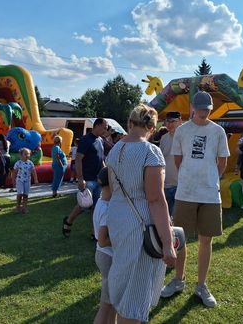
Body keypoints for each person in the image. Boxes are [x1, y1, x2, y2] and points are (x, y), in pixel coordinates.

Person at [107, 104, 176, 323]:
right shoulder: (150, 151)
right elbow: (155, 199)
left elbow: (113, 188)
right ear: (152, 128)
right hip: (140, 225)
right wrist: (168, 243)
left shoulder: (115, 149)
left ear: (129, 123)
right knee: (135, 291)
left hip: (117, 217)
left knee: (123, 277)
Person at [162, 91, 230, 308]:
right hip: (186, 193)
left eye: (207, 109)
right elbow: (178, 160)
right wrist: (190, 178)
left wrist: (210, 179)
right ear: (192, 107)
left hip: (210, 194)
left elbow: (222, 162)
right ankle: (178, 279)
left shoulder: (218, 131)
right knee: (180, 239)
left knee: (206, 240)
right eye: (200, 108)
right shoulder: (182, 131)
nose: (203, 112)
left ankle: (201, 285)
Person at [62, 118, 108, 238]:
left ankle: (94, 233)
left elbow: (100, 159)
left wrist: (105, 172)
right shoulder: (86, 140)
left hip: (98, 179)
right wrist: (80, 178)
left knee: (96, 207)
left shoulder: (100, 140)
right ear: (97, 126)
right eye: (104, 127)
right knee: (84, 205)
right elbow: (78, 159)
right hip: (87, 179)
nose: (105, 130)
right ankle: (68, 221)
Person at [92, 167, 117, 324]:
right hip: (107, 256)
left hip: (102, 254)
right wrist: (120, 239)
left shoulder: (100, 201)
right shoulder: (108, 209)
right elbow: (102, 240)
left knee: (113, 301)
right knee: (105, 305)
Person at [159, 111, 182, 216]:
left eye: (173, 121)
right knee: (166, 217)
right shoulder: (164, 138)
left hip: (180, 185)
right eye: (167, 121)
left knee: (179, 218)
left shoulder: (186, 138)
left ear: (180, 121)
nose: (169, 124)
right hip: (165, 184)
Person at [12, 148, 38, 214]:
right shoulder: (18, 163)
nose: (27, 155)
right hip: (19, 181)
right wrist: (13, 181)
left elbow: (34, 172)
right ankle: (18, 206)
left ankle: (24, 207)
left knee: (25, 195)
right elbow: (14, 173)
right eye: (25, 154)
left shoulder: (30, 163)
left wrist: (36, 180)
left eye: (28, 154)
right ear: (21, 155)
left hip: (27, 181)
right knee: (20, 193)